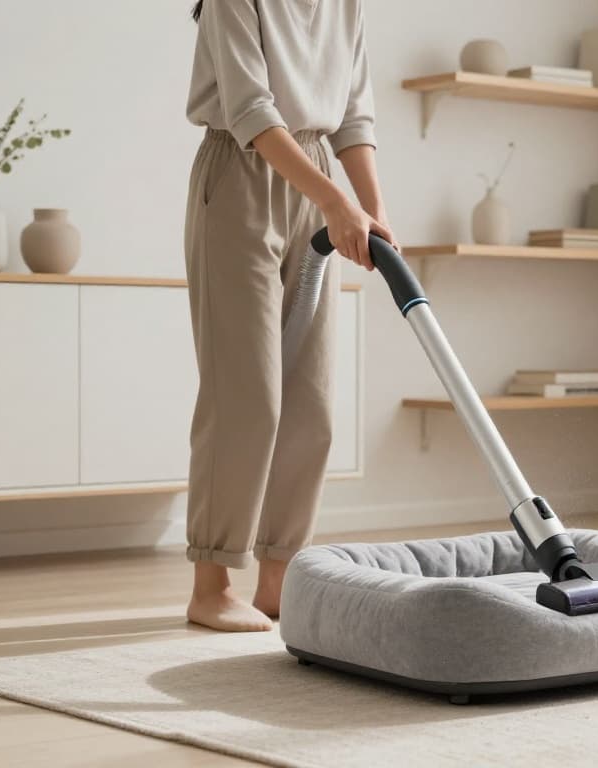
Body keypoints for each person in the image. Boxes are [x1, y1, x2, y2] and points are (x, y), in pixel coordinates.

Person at [183, 0, 394, 631]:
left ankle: (277, 582)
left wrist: (373, 213)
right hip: (242, 175)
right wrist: (337, 203)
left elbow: (353, 116)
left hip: (317, 180)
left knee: (312, 397)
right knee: (246, 395)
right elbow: (251, 110)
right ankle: (211, 585)